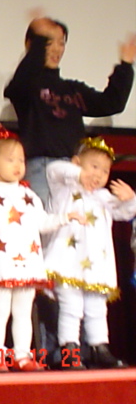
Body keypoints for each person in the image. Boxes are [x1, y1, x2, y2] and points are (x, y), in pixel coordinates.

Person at [0, 124, 84, 371]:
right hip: (1, 264)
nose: (17, 165)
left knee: (24, 311)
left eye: (21, 160)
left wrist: (65, 217)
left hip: (28, 261)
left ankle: (22, 355)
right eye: (10, 159)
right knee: (0, 309)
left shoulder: (29, 195)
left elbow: (43, 223)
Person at [4, 16, 135, 206]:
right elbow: (21, 82)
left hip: (74, 168)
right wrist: (39, 41)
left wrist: (125, 66)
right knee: (44, 220)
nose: (56, 49)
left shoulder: (72, 89)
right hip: (41, 168)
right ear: (32, 44)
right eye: (49, 42)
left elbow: (111, 103)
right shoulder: (26, 86)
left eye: (61, 43)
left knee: (75, 221)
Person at [44, 137, 136, 369]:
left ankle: (99, 347)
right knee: (71, 307)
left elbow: (124, 213)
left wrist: (131, 200)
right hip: (68, 263)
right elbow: (53, 170)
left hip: (96, 266)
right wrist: (78, 175)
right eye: (94, 167)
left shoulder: (103, 197)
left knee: (97, 308)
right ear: (77, 163)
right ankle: (69, 349)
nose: (99, 174)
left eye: (105, 171)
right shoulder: (65, 189)